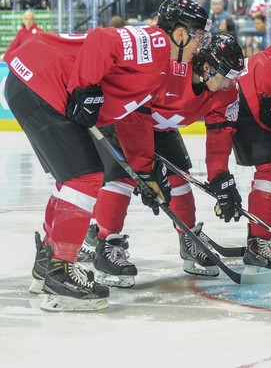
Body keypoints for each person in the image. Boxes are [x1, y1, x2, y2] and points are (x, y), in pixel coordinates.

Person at [5, 0, 209, 311]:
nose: (200, 43)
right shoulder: (155, 42)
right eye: (198, 35)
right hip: (42, 79)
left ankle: (48, 263)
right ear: (180, 34)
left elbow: (134, 116)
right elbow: (102, 39)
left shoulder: (158, 67)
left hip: (34, 78)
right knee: (83, 177)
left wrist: (143, 170)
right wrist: (83, 87)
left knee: (71, 180)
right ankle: (60, 271)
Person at [87, 32, 244, 285]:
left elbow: (220, 135)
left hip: (160, 128)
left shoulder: (226, 92)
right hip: (124, 118)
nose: (230, 84)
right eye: (226, 76)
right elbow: (130, 104)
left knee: (180, 180)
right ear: (206, 67)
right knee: (125, 179)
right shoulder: (168, 71)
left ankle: (189, 240)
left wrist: (220, 177)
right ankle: (107, 244)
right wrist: (143, 168)